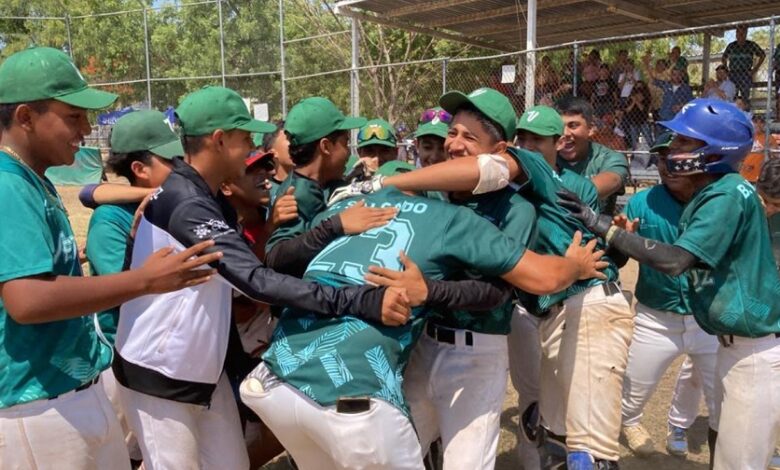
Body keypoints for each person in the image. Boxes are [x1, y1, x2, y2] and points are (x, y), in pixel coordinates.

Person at [332, 89, 634, 470]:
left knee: (572, 448)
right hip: (429, 346)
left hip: (496, 342)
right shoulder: (436, 194)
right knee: (382, 454)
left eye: (469, 137)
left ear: (502, 149)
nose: (454, 144)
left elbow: (498, 291)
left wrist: (428, 289)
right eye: (452, 133)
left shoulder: (517, 198)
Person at [112, 86, 412, 470]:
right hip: (159, 373)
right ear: (219, 141)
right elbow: (257, 280)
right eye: (244, 139)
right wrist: (363, 300)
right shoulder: (187, 203)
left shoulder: (198, 194)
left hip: (202, 371)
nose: (253, 146)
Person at [243, 156, 607, 470]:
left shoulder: (343, 210)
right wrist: (574, 267)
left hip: (273, 382)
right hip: (352, 397)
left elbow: (274, 264)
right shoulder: (444, 217)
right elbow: (542, 277)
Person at [0, 46, 220, 470]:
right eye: (73, 116)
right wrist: (146, 280)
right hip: (36, 408)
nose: (85, 129)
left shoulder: (32, 181)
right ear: (25, 117)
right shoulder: (8, 186)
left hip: (75, 391)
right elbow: (27, 300)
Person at [557, 98, 779, 470]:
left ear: (714, 151)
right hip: (735, 344)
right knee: (724, 443)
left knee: (739, 462)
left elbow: (675, 260)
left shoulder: (724, 194)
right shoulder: (716, 190)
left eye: (683, 143)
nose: (672, 150)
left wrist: (602, 225)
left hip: (752, 351)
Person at [84, 109, 182, 465]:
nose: (181, 166)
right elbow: (122, 288)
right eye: (172, 160)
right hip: (121, 353)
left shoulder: (174, 205)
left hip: (162, 352)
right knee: (125, 454)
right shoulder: (110, 220)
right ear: (139, 169)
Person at [614, 132, 718, 461]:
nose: (668, 165)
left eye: (674, 156)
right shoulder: (640, 202)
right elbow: (619, 259)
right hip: (655, 315)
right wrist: (620, 240)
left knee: (723, 394)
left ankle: (710, 432)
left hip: (707, 318)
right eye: (661, 158)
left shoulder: (716, 200)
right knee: (633, 388)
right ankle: (629, 423)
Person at [557, 96, 629, 215]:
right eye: (559, 126)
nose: (565, 133)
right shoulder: (546, 156)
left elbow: (613, 180)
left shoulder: (609, 159)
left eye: (573, 125)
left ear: (590, 129)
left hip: (594, 231)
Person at [722, 24, 766, 101]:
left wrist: (754, 70)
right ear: (736, 34)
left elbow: (762, 55)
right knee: (732, 96)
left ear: (746, 34)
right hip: (733, 73)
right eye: (738, 33)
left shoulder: (751, 45)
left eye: (743, 33)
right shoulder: (731, 46)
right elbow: (723, 58)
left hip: (746, 73)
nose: (740, 36)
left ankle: (745, 111)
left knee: (745, 97)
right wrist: (726, 70)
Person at [739, 114, 780, 183]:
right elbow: (740, 155)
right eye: (755, 122)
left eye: (761, 122)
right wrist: (743, 166)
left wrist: (768, 149)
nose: (758, 125)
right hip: (745, 174)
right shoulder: (746, 137)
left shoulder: (769, 138)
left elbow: (776, 156)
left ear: (764, 124)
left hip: (760, 176)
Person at [622, 80, 653, 151]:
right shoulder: (631, 97)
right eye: (637, 87)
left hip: (643, 121)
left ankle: (654, 156)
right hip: (633, 121)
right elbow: (627, 110)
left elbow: (643, 109)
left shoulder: (647, 97)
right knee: (634, 142)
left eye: (640, 87)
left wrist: (637, 101)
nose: (639, 89)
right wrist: (633, 101)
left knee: (649, 140)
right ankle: (634, 156)